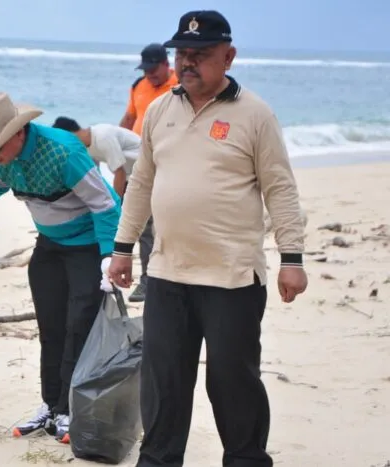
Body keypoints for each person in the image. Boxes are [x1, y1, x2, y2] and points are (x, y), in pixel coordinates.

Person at [106, 11, 308, 467]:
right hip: (167, 273)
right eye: (183, 53)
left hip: (232, 277)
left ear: (229, 56)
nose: (188, 62)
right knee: (163, 384)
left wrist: (291, 257)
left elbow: (280, 187)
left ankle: (245, 460)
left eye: (201, 54)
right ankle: (158, 462)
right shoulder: (159, 110)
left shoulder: (255, 114)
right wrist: (122, 248)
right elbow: (141, 183)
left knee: (233, 383)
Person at [0, 92, 120, 444]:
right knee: (51, 328)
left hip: (88, 247)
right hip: (50, 246)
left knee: (79, 327)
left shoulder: (64, 152)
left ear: (18, 133)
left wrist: (110, 255)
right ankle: (51, 404)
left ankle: (69, 409)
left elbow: (105, 205)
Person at [118, 43, 180, 303]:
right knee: (142, 224)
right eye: (146, 70)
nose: (150, 75)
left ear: (167, 64)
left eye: (154, 69)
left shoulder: (182, 85)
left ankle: (165, 279)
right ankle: (147, 281)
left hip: (170, 162)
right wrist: (117, 146)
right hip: (138, 162)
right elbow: (129, 119)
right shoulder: (138, 86)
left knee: (165, 224)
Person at [51, 117, 141, 198]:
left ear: (69, 135)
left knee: (120, 208)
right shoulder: (86, 143)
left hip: (142, 168)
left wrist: (116, 203)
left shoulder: (102, 137)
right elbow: (95, 173)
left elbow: (120, 172)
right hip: (130, 175)